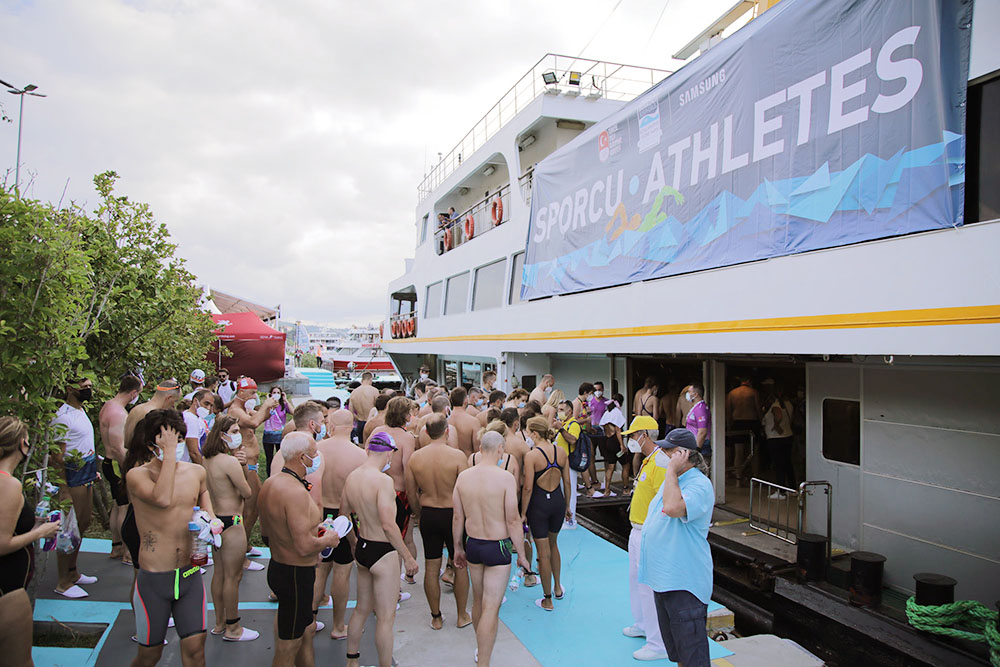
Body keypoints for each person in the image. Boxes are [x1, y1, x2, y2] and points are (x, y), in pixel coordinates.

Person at [124, 408, 215, 666]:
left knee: (196, 650)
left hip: (188, 574)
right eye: (169, 443)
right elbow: (162, 498)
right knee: (149, 656)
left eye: (178, 442)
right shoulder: (136, 476)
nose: (175, 448)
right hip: (154, 578)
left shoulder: (196, 472)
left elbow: (206, 503)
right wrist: (167, 455)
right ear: (154, 444)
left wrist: (211, 521)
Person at [258, 432, 339, 667]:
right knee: (288, 645)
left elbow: (266, 533)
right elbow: (304, 546)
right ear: (302, 457)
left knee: (303, 633)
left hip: (281, 566)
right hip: (295, 573)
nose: (317, 457)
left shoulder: (271, 483)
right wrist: (328, 539)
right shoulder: (294, 492)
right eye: (314, 453)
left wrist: (312, 529)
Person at [341, 432, 419, 667]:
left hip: (364, 545)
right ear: (388, 453)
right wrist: (407, 557)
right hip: (383, 551)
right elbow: (388, 525)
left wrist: (354, 543)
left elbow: (342, 516)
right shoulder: (383, 481)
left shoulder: (352, 477)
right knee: (385, 618)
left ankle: (352, 661)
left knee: (361, 610)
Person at [638, 429, 714, 667]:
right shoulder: (674, 480)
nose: (662, 453)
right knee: (680, 654)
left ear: (683, 454)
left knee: (693, 657)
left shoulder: (699, 485)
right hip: (665, 580)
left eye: (668, 450)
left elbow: (673, 508)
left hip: (684, 583)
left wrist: (670, 470)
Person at [454, 431, 530, 667]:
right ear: (500, 449)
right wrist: (523, 555)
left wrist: (457, 546)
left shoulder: (464, 477)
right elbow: (513, 520)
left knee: (478, 601)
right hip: (497, 546)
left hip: (473, 543)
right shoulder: (505, 478)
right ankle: (484, 661)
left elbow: (458, 516)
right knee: (491, 607)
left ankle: (481, 648)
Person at [0, 417, 62, 666]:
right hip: (8, 588)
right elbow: (2, 543)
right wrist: (40, 531)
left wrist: (30, 522)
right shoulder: (9, 484)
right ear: (23, 444)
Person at [405, 414, 472, 630]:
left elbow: (411, 492)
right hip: (453, 515)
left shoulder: (415, 458)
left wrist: (418, 512)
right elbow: (464, 491)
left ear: (425, 433)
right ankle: (462, 615)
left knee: (431, 567)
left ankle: (436, 617)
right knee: (460, 565)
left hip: (429, 514)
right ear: (447, 431)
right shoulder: (457, 456)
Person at [622, 418, 675, 661]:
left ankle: (658, 643)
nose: (631, 440)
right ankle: (643, 624)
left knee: (648, 586)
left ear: (643, 434)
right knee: (636, 581)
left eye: (633, 435)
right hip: (638, 530)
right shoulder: (649, 460)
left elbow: (665, 500)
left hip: (649, 532)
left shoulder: (661, 462)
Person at [201, 415, 257, 641]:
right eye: (234, 431)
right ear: (222, 435)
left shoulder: (207, 460)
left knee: (220, 574)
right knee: (233, 577)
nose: (238, 435)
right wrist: (243, 466)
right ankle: (233, 627)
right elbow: (247, 492)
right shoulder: (229, 462)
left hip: (216, 520)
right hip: (232, 522)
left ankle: (219, 622)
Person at [312, 409, 366, 640]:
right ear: (352, 426)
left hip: (319, 511)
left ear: (330, 426)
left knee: (320, 570)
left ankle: (310, 620)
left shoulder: (317, 450)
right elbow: (361, 495)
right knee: (342, 571)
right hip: (345, 516)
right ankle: (337, 625)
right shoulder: (359, 455)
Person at [51, 377, 100, 598]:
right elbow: (57, 457)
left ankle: (73, 572)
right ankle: (63, 581)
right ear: (70, 389)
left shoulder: (80, 412)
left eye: (90, 386)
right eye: (84, 387)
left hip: (86, 473)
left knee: (83, 523)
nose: (88, 390)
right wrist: (64, 490)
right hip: (73, 476)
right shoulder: (63, 416)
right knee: (70, 529)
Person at [519, 416, 570, 612]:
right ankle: (557, 587)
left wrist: (523, 512)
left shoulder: (532, 456)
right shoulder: (561, 451)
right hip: (557, 501)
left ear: (534, 433)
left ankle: (547, 599)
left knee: (543, 553)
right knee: (554, 545)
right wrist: (567, 506)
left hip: (539, 504)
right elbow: (567, 482)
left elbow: (528, 488)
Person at [228, 377, 278, 560]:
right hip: (245, 465)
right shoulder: (234, 410)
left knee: (253, 509)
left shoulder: (242, 409)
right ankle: (240, 552)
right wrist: (264, 406)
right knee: (250, 510)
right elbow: (253, 424)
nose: (254, 396)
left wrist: (268, 410)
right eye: (252, 392)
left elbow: (259, 419)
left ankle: (245, 544)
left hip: (251, 465)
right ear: (241, 393)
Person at [371, 396, 418, 584]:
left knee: (380, 536)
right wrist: (413, 501)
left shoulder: (377, 431)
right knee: (400, 540)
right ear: (405, 415)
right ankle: (397, 587)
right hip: (398, 493)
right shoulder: (406, 438)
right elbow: (408, 472)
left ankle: (389, 582)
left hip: (375, 488)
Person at [99, 374, 143, 565]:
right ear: (133, 393)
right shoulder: (118, 414)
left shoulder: (108, 405)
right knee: (124, 507)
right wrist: (130, 469)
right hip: (117, 464)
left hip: (110, 463)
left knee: (118, 504)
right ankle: (126, 550)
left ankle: (116, 546)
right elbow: (118, 447)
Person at [124, 379, 181, 449]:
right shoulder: (154, 415)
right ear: (169, 398)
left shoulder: (136, 408)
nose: (174, 406)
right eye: (175, 401)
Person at [553, 399, 584, 523]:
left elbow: (573, 440)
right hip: (559, 463)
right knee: (561, 490)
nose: (558, 412)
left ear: (570, 411)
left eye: (561, 410)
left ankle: (571, 518)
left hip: (569, 463)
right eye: (558, 410)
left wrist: (561, 430)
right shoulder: (562, 423)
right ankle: (562, 518)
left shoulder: (573, 424)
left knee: (569, 491)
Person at [761, 383, 795, 496]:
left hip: (776, 438)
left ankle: (781, 491)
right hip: (788, 436)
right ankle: (792, 488)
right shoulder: (789, 404)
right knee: (787, 463)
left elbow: (778, 415)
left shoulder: (776, 405)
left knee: (778, 464)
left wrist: (777, 426)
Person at [726, 377, 761, 481]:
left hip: (737, 422)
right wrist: (762, 423)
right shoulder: (753, 392)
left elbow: (728, 412)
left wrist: (729, 426)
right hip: (752, 421)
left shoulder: (732, 393)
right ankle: (755, 477)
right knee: (754, 452)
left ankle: (738, 478)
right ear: (749, 381)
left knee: (739, 452)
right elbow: (758, 409)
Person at [598, 394, 630, 497]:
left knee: (610, 467)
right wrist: (622, 445)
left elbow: (602, 425)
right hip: (615, 442)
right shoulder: (617, 412)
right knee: (625, 465)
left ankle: (606, 490)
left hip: (606, 440)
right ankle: (626, 488)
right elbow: (618, 430)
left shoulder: (607, 412)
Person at [260, 386, 292, 476]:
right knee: (269, 458)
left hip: (280, 435)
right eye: (274, 392)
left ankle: (280, 474)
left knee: (281, 457)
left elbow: (294, 412)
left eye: (278, 393)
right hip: (268, 434)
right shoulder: (267, 406)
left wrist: (286, 400)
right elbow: (262, 416)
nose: (276, 395)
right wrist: (268, 403)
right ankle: (270, 476)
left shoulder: (283, 405)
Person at [182, 389, 214, 465]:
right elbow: (193, 452)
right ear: (195, 401)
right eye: (206, 403)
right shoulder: (190, 419)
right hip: (188, 465)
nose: (208, 408)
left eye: (211, 405)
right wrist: (202, 470)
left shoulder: (198, 419)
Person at [684, 383, 712, 465]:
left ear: (695, 394)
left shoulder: (700, 409)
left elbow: (702, 432)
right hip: (693, 445)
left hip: (700, 447)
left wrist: (696, 450)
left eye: (689, 392)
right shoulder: (696, 407)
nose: (687, 394)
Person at [447, 387, 480, 457]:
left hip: (450, 462)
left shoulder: (445, 421)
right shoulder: (473, 422)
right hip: (468, 462)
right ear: (465, 401)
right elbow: (477, 450)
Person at [349, 372, 379, 443]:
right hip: (371, 422)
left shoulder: (354, 392)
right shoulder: (374, 390)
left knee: (361, 445)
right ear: (370, 379)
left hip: (360, 422)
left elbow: (351, 412)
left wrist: (358, 418)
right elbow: (378, 408)